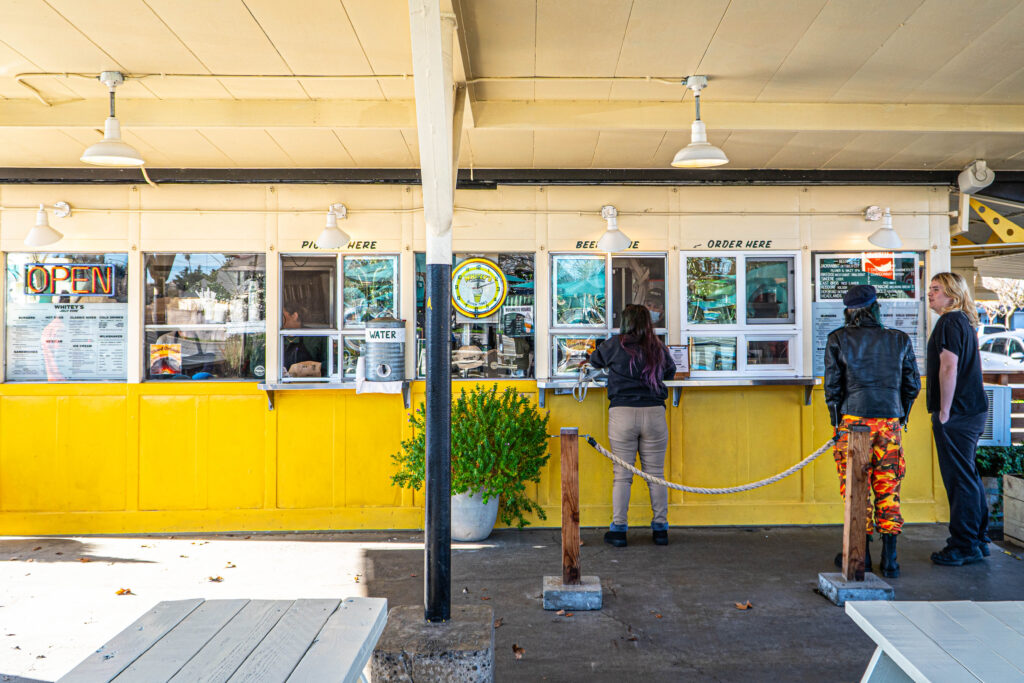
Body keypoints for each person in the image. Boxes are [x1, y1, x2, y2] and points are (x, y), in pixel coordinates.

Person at [824, 284, 919, 578]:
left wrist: (836, 421)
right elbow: (912, 385)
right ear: (876, 308)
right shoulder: (899, 339)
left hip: (853, 422)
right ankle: (890, 560)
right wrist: (899, 416)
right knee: (888, 485)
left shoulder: (838, 338)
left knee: (856, 487)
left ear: (848, 310)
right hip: (889, 422)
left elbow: (833, 388)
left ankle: (858, 554)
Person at [588, 304, 676, 547]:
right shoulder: (657, 346)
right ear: (648, 322)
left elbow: (594, 361)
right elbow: (670, 371)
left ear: (624, 322)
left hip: (623, 415)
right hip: (654, 413)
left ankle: (618, 531)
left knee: (622, 476)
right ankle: (660, 530)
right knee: (656, 476)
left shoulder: (615, 344)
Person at [926, 272, 989, 566]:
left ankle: (964, 546)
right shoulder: (963, 321)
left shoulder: (950, 322)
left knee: (959, 479)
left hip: (959, 413)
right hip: (972, 410)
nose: (930, 294)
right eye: (931, 289)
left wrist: (945, 411)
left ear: (952, 294)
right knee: (969, 476)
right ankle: (978, 539)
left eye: (936, 289)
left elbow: (949, 367)